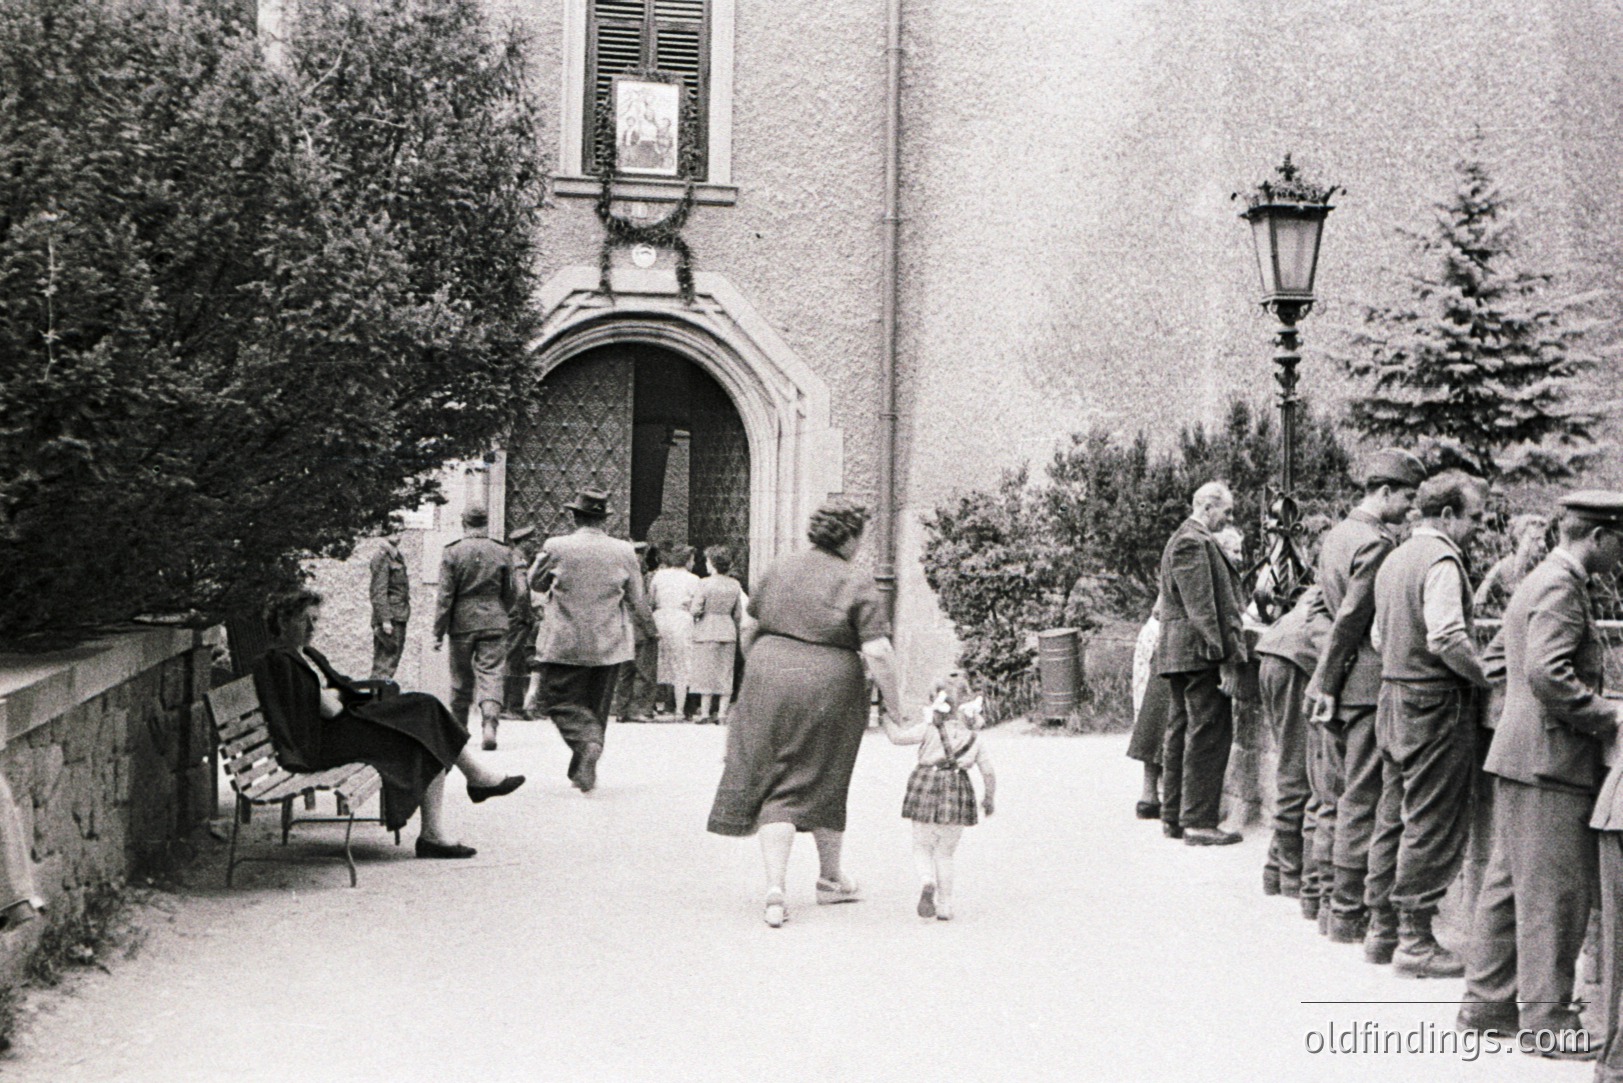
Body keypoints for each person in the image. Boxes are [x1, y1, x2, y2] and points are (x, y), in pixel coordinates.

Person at [1456, 493, 1623, 1058]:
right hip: (1550, 763)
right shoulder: (1562, 587)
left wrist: (1515, 718)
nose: (1621, 555)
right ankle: (1547, 1023)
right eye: (1619, 541)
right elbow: (1549, 674)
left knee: (1508, 885)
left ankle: (1486, 1004)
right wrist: (1610, 715)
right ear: (1597, 537)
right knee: (1556, 893)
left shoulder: (1537, 578)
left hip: (1521, 755)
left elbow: (1503, 661)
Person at [707, 498, 903, 928]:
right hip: (829, 685)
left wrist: (761, 666)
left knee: (775, 776)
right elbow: (879, 651)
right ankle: (830, 879)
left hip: (766, 675)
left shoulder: (780, 567)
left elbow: (748, 628)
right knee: (824, 775)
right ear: (850, 537)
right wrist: (896, 707)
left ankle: (776, 888)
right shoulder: (855, 580)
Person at [253, 589, 524, 859]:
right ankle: (473, 784)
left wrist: (331, 693)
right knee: (424, 712)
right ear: (282, 621)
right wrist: (332, 694)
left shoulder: (304, 654)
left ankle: (438, 828)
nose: (312, 627)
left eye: (315, 619)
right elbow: (330, 710)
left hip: (339, 730)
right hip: (322, 743)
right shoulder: (279, 660)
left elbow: (330, 697)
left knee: (425, 715)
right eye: (304, 620)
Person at [1366, 469, 1493, 978]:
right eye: (1475, 518)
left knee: (1391, 812)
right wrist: (1485, 680)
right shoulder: (1441, 560)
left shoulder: (1394, 558)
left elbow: (1378, 637)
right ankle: (1416, 942)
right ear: (1447, 516)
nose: (1479, 528)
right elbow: (1447, 638)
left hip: (1392, 699)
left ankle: (1381, 931)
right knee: (1431, 820)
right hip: (1434, 706)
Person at [1303, 448, 1426, 953]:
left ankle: (1327, 902)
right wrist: (1327, 683)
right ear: (1384, 493)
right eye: (1407, 497)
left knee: (1337, 795)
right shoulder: (1375, 545)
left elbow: (1317, 611)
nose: (1411, 507)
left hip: (1340, 684)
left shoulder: (1336, 535)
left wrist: (1323, 678)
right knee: (1361, 800)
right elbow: (1354, 618)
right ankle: (1347, 911)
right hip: (1363, 686)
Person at [533, 487, 652, 793]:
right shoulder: (624, 551)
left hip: (564, 642)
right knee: (595, 707)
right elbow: (637, 599)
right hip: (608, 643)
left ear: (574, 515)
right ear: (605, 519)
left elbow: (535, 581)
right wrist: (650, 630)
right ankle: (584, 766)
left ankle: (586, 748)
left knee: (554, 699)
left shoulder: (557, 546)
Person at [1153, 481, 1247, 846]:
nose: (1230, 517)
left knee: (1180, 732)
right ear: (1207, 507)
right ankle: (1199, 823)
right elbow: (1202, 609)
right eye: (1226, 511)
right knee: (1208, 734)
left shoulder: (1186, 538)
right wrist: (1224, 659)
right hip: (1199, 655)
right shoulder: (1194, 541)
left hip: (1182, 655)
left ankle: (1175, 815)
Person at [881, 672, 996, 922]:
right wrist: (989, 799)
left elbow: (897, 738)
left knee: (922, 846)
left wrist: (887, 719)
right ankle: (944, 905)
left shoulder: (929, 729)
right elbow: (988, 772)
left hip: (926, 784)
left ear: (934, 700)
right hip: (957, 789)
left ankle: (926, 880)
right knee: (945, 853)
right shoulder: (974, 737)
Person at [1254, 583, 1325, 902]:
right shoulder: (1372, 555)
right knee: (1296, 770)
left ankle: (1276, 869)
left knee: (1293, 764)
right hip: (1296, 658)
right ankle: (1290, 874)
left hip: (1278, 651)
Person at [433, 506, 514, 752]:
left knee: (461, 678)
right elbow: (512, 591)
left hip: (462, 623)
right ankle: (490, 722)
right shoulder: (502, 551)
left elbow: (445, 597)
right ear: (486, 523)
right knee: (492, 674)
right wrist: (500, 610)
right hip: (494, 620)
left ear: (464, 523)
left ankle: (458, 731)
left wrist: (438, 631)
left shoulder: (453, 552)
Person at [1125, 594, 1169, 820]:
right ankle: (1152, 794)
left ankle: (1150, 795)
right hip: (1161, 637)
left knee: (1153, 713)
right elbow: (1161, 609)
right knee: (1156, 715)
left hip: (1159, 634)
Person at [691, 544, 744, 724]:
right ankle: (722, 713)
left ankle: (705, 713)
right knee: (725, 671)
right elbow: (738, 614)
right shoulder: (735, 584)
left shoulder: (704, 583)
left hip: (707, 628)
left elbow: (696, 608)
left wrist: (696, 615)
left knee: (706, 670)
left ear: (712, 564)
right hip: (727, 629)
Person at [608, 541, 660, 724]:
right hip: (638, 629)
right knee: (644, 671)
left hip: (620, 628)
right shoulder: (635, 577)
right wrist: (652, 630)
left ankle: (621, 710)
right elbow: (640, 605)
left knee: (624, 672)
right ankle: (640, 710)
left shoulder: (614, 575)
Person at [650, 544, 701, 719]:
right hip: (681, 618)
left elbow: (651, 598)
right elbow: (696, 606)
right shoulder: (693, 579)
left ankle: (656, 706)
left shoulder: (659, 576)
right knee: (682, 662)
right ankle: (679, 709)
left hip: (660, 617)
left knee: (658, 660)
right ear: (687, 560)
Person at [1473, 512, 1551, 617]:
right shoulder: (1502, 567)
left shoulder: (1543, 569)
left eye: (1543, 538)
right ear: (1520, 540)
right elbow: (1478, 604)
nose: (1543, 545)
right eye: (1535, 539)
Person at [499, 525, 540, 720]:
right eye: (531, 541)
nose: (534, 544)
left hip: (508, 615)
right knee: (513, 661)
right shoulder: (519, 563)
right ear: (522, 542)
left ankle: (509, 706)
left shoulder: (509, 559)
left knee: (513, 659)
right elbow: (522, 592)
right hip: (517, 618)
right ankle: (510, 707)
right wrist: (527, 615)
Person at [368, 527, 411, 680]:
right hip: (390, 619)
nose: (398, 535)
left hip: (398, 616)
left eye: (400, 531)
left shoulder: (395, 556)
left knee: (390, 664)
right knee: (384, 666)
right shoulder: (382, 557)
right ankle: (376, 701)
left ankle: (380, 698)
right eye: (393, 531)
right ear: (383, 533)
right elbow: (378, 591)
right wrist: (385, 620)